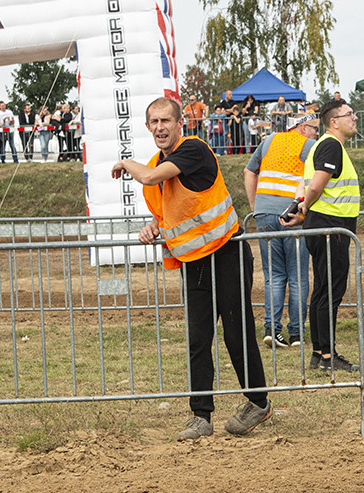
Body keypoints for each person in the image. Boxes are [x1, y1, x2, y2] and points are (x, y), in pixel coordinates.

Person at [111, 96, 270, 440]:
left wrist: (126, 162)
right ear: (147, 126)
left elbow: (152, 177)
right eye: (153, 122)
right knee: (199, 338)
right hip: (195, 263)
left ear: (180, 123)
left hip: (227, 252)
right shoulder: (156, 164)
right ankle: (201, 417)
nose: (159, 127)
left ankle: (258, 401)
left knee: (236, 332)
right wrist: (152, 227)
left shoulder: (193, 150)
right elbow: (166, 214)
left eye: (165, 120)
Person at [281, 98, 360, 374]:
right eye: (349, 114)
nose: (355, 118)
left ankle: (319, 353)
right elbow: (315, 186)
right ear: (333, 122)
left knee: (322, 291)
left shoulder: (322, 145)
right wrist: (305, 206)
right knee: (330, 293)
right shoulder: (331, 145)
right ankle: (328, 355)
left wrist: (304, 212)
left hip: (325, 227)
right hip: (331, 229)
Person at [244, 111, 319, 349]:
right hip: (291, 214)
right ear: (302, 127)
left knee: (273, 276)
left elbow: (249, 171)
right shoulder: (309, 146)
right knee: (297, 276)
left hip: (265, 213)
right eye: (315, 128)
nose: (318, 133)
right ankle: (296, 333)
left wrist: (255, 206)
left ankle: (271, 330)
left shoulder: (268, 141)